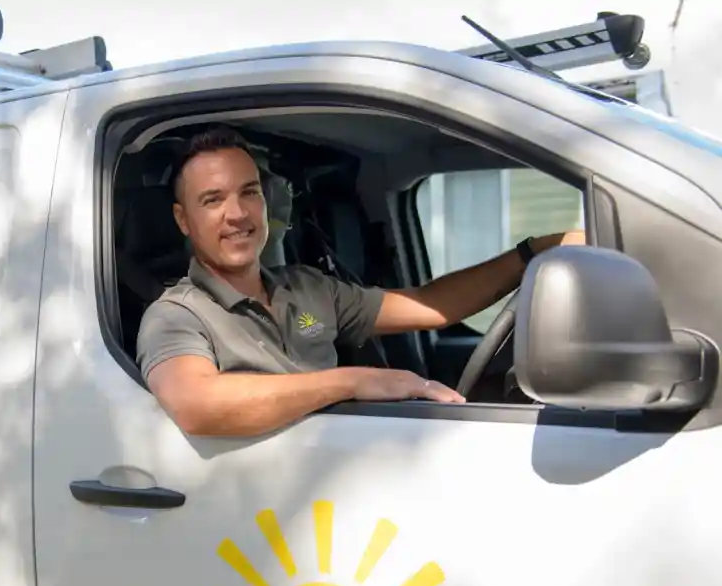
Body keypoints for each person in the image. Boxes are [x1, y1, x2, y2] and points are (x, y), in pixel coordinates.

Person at [136, 126, 584, 438]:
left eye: (249, 192)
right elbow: (198, 404)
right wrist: (355, 382)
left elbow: (432, 305)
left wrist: (532, 253)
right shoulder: (175, 315)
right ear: (183, 219)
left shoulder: (306, 287)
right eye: (212, 200)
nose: (237, 214)